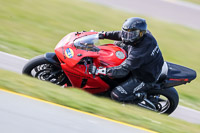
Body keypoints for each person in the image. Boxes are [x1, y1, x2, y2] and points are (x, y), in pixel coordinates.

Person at [89, 17, 164, 103]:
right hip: (144, 63)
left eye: (131, 35)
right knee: (117, 44)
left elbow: (123, 70)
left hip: (144, 77)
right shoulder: (141, 36)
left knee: (116, 95)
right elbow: (120, 35)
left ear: (140, 34)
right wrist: (102, 34)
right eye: (126, 33)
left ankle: (140, 97)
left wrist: (100, 70)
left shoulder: (139, 53)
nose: (126, 37)